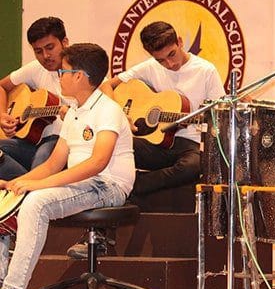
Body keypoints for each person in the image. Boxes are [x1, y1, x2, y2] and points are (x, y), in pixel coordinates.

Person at [65, 22, 225, 260]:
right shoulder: (150, 67)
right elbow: (107, 84)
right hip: (153, 144)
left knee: (194, 165)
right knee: (106, 148)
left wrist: (206, 119)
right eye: (161, 60)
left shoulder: (205, 71)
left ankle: (133, 186)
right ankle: (97, 235)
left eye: (172, 54)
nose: (169, 64)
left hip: (187, 144)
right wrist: (121, 114)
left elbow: (220, 113)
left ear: (180, 42)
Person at [0, 43, 135, 289]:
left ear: (80, 76)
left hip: (108, 185)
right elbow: (53, 163)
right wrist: (18, 183)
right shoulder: (73, 111)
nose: (59, 76)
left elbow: (97, 163)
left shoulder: (108, 109)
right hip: (83, 184)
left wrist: (37, 186)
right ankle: (2, 284)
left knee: (36, 202)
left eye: (63, 71)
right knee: (8, 200)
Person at [0, 17, 73, 281]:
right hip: (33, 142)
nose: (45, 56)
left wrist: (72, 113)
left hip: (64, 145)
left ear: (65, 42)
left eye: (50, 48)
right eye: (38, 51)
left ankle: (21, 210)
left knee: (43, 159)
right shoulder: (35, 69)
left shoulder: (82, 70)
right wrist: (3, 115)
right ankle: (20, 193)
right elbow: (3, 85)